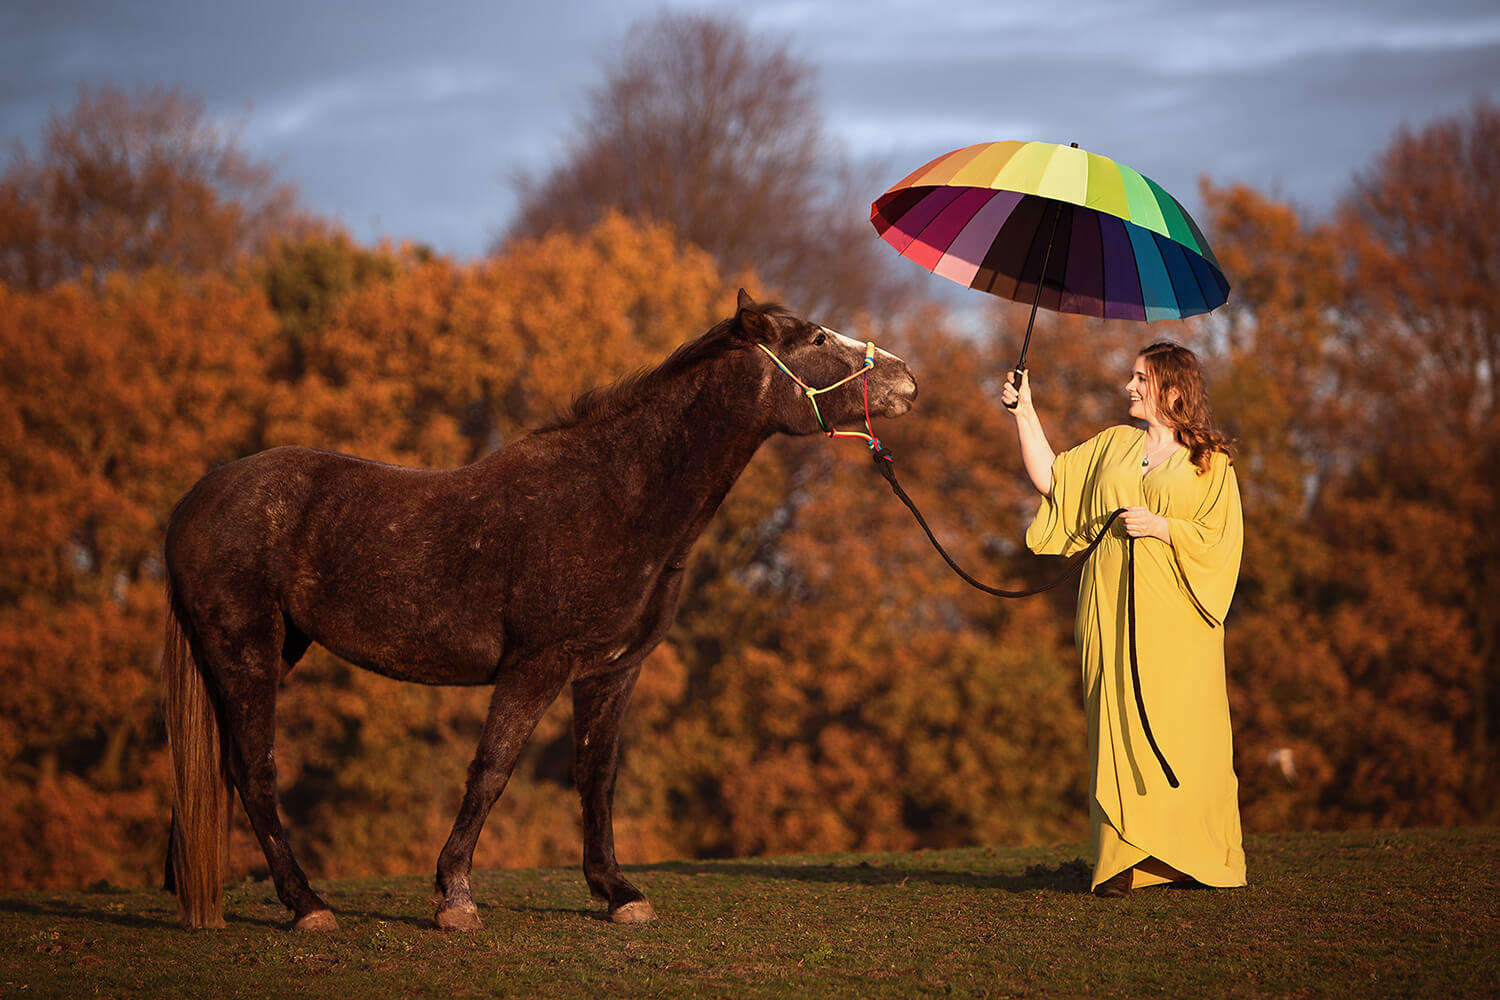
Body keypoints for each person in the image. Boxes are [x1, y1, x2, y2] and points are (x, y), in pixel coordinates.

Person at [1000, 342, 1245, 898]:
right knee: (1113, 723)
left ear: (1173, 390)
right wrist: (1025, 411)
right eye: (1132, 376)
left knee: (1182, 730)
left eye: (1141, 378)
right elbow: (1053, 482)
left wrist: (1164, 527)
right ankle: (1121, 860)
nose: (1128, 386)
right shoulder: (1113, 445)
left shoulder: (1210, 463)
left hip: (1178, 619)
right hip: (1107, 607)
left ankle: (1193, 856)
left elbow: (1220, 542)